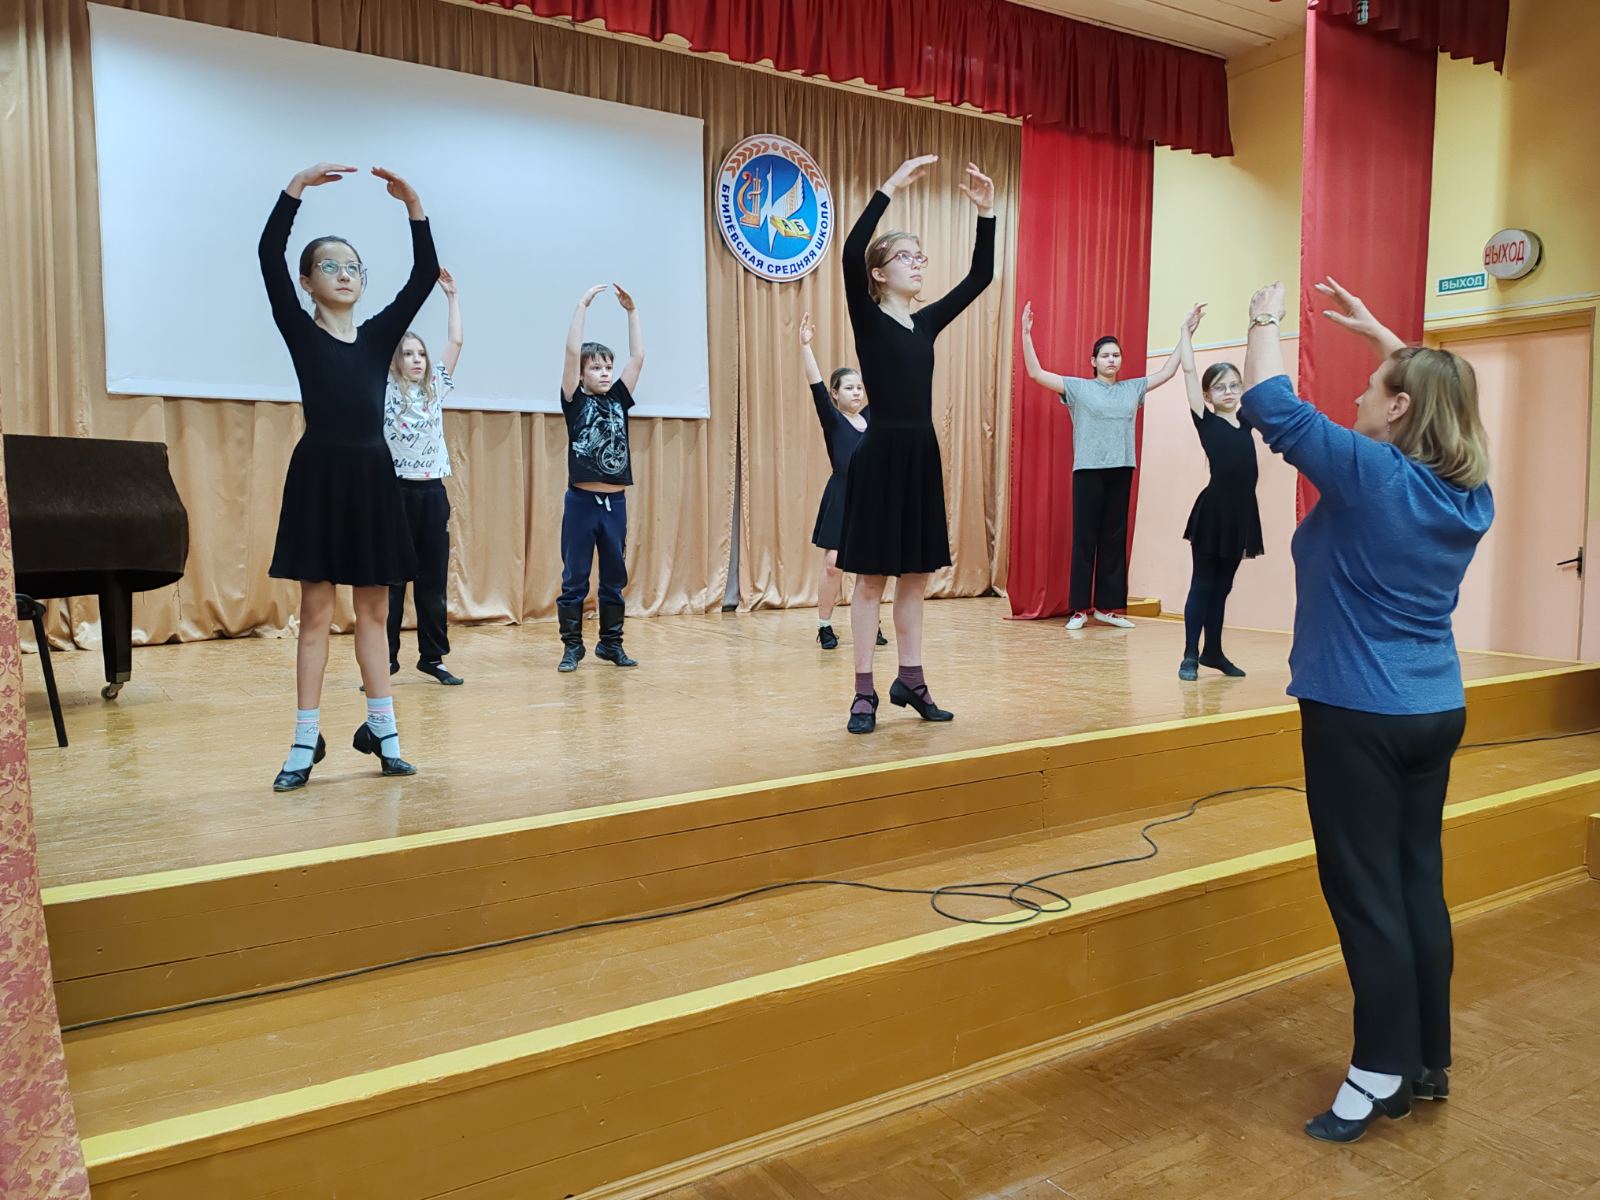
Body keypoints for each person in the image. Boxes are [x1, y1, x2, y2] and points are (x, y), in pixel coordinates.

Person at [1241, 276, 1493, 1143]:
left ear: (1398, 410)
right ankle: (1426, 1059)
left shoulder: (1373, 475)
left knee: (1364, 893)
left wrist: (1263, 319)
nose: (1356, 395)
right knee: (1416, 881)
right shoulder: (1468, 494)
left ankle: (1377, 1067)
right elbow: (1438, 400)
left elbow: (1269, 403)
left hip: (1359, 715)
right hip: (1434, 710)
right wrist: (1389, 341)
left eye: (1373, 387)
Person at [261, 162, 438, 792]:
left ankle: (382, 730)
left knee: (375, 611)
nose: (344, 274)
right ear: (307, 282)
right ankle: (305, 739)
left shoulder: (380, 336)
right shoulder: (300, 333)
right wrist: (295, 191)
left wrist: (413, 204)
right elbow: (268, 254)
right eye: (330, 266)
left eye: (353, 267)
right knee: (315, 612)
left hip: (372, 481)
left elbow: (424, 275)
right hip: (319, 479)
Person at [835, 156, 995, 733]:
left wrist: (986, 214)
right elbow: (849, 254)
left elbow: (980, 278)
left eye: (920, 256)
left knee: (916, 578)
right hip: (880, 457)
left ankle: (912, 678)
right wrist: (888, 188)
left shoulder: (924, 324)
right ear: (881, 274)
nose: (917, 264)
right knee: (870, 580)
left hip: (921, 456)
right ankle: (863, 691)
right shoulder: (868, 317)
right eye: (907, 256)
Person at [1021, 302, 1202, 629]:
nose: (1111, 360)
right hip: (1088, 470)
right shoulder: (1079, 388)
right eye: (1105, 355)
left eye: (1116, 355)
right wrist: (1026, 334)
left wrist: (1185, 332)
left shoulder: (1132, 389)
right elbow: (1036, 374)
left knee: (1114, 540)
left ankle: (1107, 608)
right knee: (1085, 540)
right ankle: (1079, 610)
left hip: (1122, 469)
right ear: (1094, 361)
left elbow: (1168, 371)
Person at [556, 283, 644, 672]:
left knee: (614, 577)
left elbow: (637, 357)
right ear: (581, 375)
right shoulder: (574, 401)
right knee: (575, 577)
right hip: (581, 504)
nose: (605, 372)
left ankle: (611, 644)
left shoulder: (619, 399)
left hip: (615, 504)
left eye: (607, 367)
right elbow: (571, 351)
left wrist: (632, 312)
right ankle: (572, 646)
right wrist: (582, 306)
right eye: (596, 367)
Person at [383, 268, 464, 686]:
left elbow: (456, 342)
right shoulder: (384, 388)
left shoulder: (435, 387)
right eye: (408, 354)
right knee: (393, 582)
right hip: (395, 493)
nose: (416, 360)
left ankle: (432, 658)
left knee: (432, 581)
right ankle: (385, 660)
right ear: (395, 360)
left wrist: (451, 297)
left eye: (420, 354)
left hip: (431, 492)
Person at [1175, 306, 1262, 680]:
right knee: (1203, 584)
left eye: (1233, 385)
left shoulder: (1246, 420)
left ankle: (1214, 651)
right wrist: (1186, 333)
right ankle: (1190, 655)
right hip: (1214, 513)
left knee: (1223, 587)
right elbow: (1189, 372)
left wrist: (1255, 327)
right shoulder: (1206, 420)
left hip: (1242, 513)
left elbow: (1255, 376)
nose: (1229, 391)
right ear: (1208, 396)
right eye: (1221, 387)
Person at [798, 312, 885, 651]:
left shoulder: (872, 418)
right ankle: (824, 625)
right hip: (842, 494)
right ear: (835, 395)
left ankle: (871, 623)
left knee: (872, 567)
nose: (857, 392)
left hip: (871, 498)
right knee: (834, 563)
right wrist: (806, 346)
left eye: (859, 388)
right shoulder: (833, 420)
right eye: (849, 388)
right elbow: (816, 385)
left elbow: (886, 377)